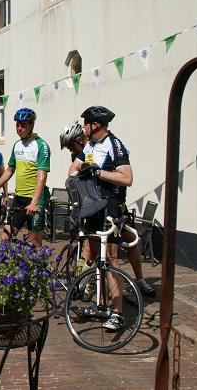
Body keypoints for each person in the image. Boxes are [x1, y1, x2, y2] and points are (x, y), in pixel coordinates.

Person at [71, 105, 155, 332]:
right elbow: (73, 169)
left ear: (95, 124)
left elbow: (127, 178)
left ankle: (117, 313)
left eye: (86, 123)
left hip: (110, 206)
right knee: (96, 257)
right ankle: (101, 305)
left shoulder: (114, 144)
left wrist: (98, 172)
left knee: (110, 258)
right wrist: (80, 172)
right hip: (92, 206)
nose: (83, 127)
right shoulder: (89, 145)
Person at [0, 108, 51, 248]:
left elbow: (42, 176)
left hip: (36, 199)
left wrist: (34, 203)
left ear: (31, 125)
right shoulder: (17, 145)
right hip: (19, 198)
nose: (19, 128)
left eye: (23, 125)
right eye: (17, 125)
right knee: (5, 238)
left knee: (34, 241)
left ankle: (38, 263)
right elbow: (9, 171)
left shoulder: (41, 145)